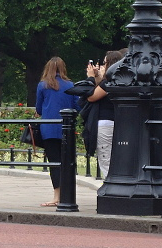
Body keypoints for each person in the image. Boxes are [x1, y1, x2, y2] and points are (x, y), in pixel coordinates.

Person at [35, 57, 78, 207]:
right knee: (67, 162)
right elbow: (76, 107)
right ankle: (68, 195)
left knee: (54, 162)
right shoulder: (70, 85)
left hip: (48, 128)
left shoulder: (42, 86)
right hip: (66, 129)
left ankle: (57, 196)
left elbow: (39, 109)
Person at [85, 50, 123, 179]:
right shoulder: (120, 80)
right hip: (115, 123)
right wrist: (98, 78)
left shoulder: (108, 82)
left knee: (105, 157)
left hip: (105, 124)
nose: (102, 65)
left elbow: (91, 97)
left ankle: (110, 188)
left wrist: (91, 78)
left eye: (105, 63)